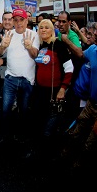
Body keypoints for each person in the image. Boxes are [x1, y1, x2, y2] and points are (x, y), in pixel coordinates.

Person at [60, 17, 97, 170]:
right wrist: (67, 41)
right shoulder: (92, 50)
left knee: (90, 144)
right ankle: (63, 161)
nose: (94, 33)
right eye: (95, 30)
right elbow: (80, 54)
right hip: (90, 104)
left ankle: (79, 167)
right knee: (74, 135)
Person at [0, 8, 39, 144]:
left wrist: (29, 47)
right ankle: (3, 133)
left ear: (26, 21)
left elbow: (35, 55)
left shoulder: (33, 35)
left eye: (21, 20)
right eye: (16, 20)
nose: (18, 23)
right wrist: (3, 46)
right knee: (6, 108)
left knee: (23, 110)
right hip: (10, 79)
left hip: (27, 80)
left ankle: (20, 134)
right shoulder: (9, 34)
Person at [30, 19, 73, 159]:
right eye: (41, 27)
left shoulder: (59, 46)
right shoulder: (41, 46)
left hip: (54, 93)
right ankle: (38, 152)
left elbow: (69, 68)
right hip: (40, 91)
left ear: (52, 30)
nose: (43, 30)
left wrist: (63, 89)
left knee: (50, 127)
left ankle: (49, 155)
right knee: (38, 122)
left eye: (46, 27)